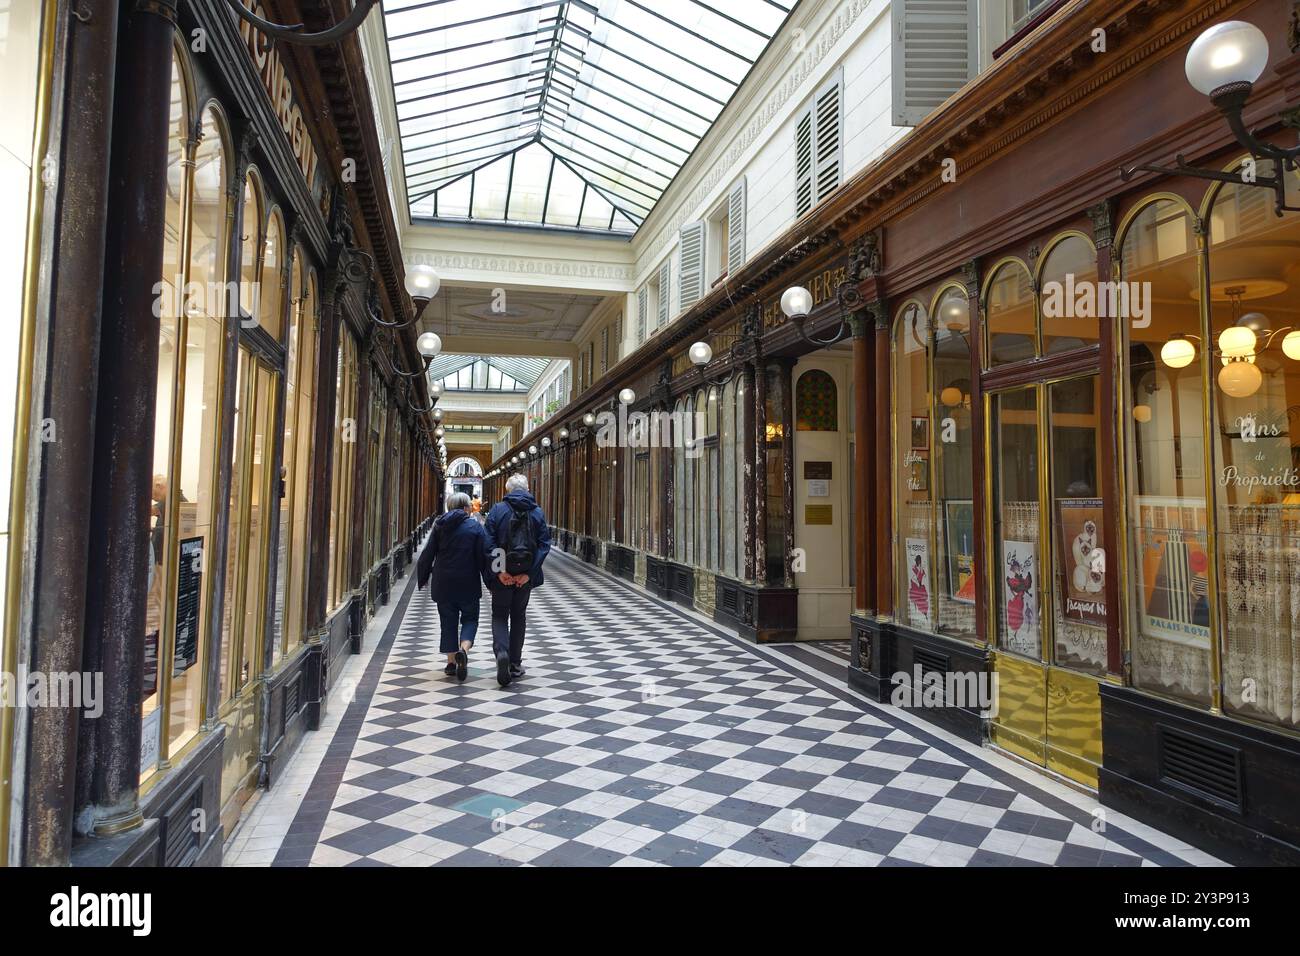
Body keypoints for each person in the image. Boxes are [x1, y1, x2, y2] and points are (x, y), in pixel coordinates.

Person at [416, 492, 493, 682]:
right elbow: (484, 557)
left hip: (444, 583)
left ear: (449, 506)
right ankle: (463, 650)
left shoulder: (439, 525)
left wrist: (423, 577)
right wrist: (491, 582)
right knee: (470, 619)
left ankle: (451, 663)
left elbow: (428, 553)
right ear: (467, 507)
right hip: (468, 582)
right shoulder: (474, 526)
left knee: (448, 622)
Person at [483, 473, 551, 688]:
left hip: (502, 573)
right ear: (527, 488)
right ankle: (514, 662)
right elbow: (544, 545)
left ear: (508, 489)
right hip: (525, 574)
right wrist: (528, 574)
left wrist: (500, 571)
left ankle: (502, 652)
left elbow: (488, 542)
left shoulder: (497, 510)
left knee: (500, 614)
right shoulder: (537, 511)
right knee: (519, 615)